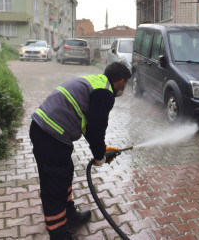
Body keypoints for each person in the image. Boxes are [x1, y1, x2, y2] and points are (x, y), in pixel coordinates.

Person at [29, 62, 131, 240]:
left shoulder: (96, 82)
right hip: (51, 134)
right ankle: (59, 233)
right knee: (55, 185)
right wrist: (99, 156)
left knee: (64, 175)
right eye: (125, 83)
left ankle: (69, 215)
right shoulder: (105, 93)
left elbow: (87, 122)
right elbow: (96, 129)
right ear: (122, 81)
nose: (124, 87)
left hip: (47, 132)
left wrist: (101, 150)